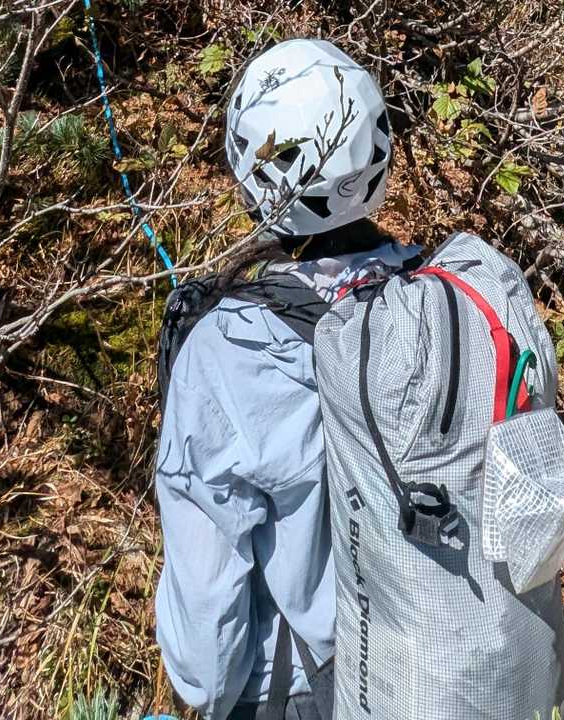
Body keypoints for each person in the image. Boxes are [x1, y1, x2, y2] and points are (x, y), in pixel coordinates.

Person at [155, 38, 410, 720]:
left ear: (252, 173)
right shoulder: (457, 297)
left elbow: (207, 654)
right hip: (459, 665)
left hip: (314, 688)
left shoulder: (229, 348)